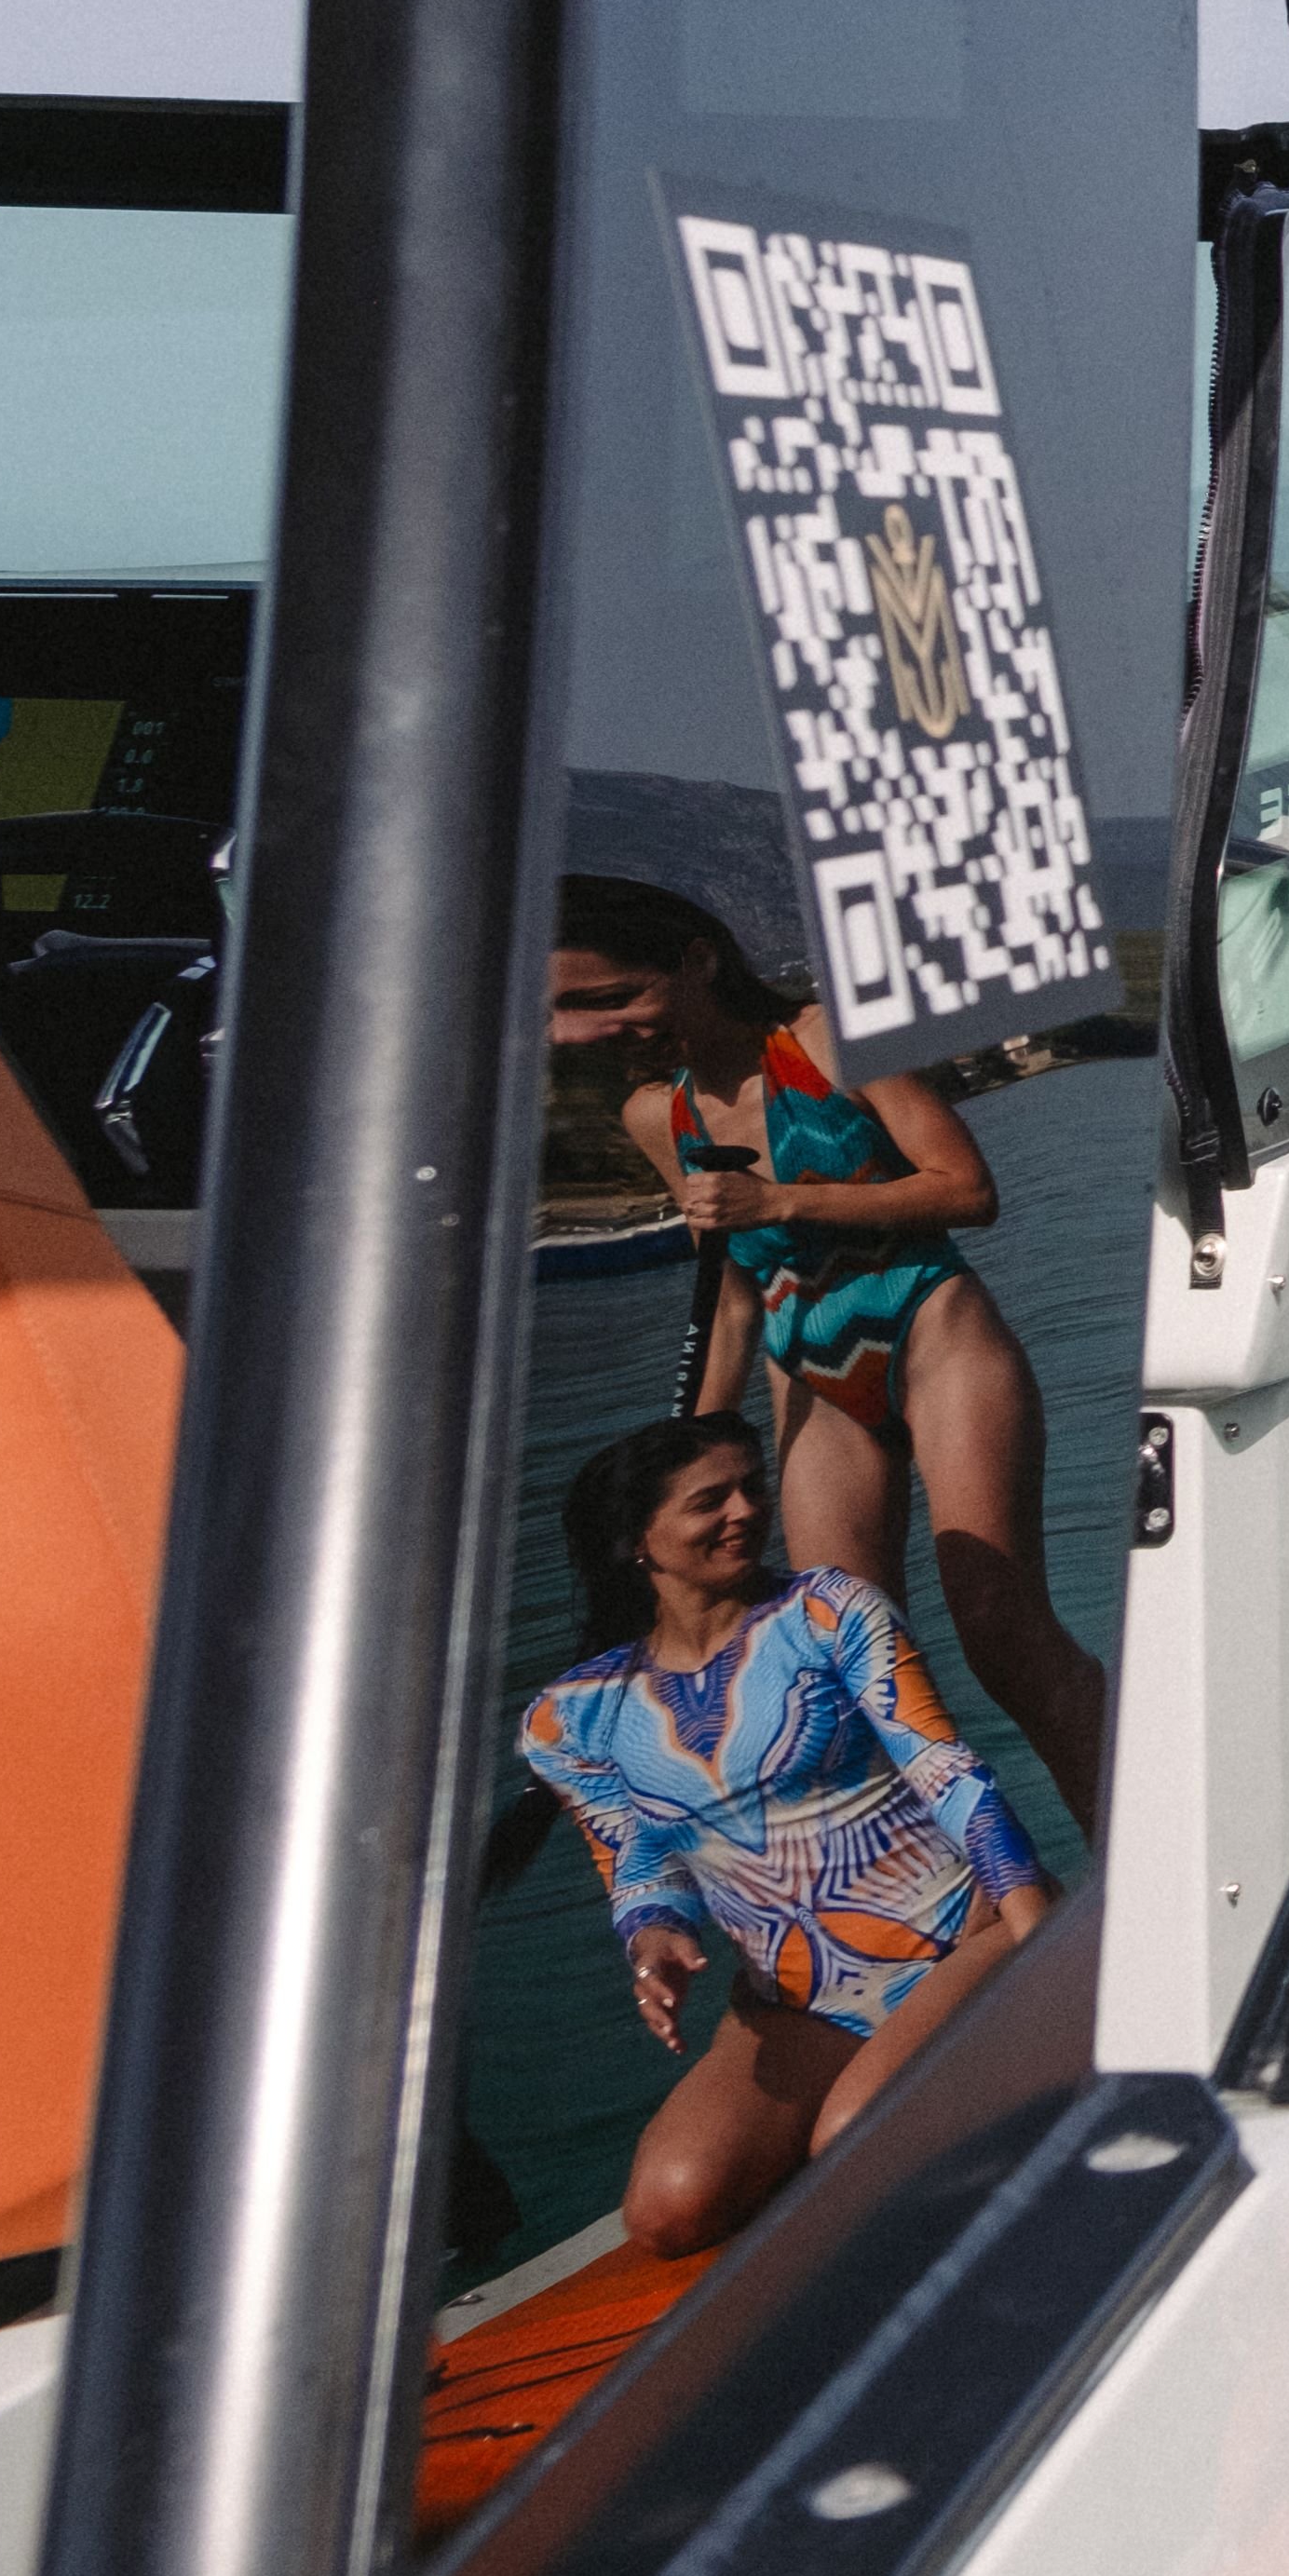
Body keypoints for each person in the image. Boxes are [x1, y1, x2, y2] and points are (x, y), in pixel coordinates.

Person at [546, 875, 1108, 1818]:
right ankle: (976, 1904)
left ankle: (1134, 1857)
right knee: (853, 1670)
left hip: (935, 1335)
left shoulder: (830, 1038)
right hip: (808, 1380)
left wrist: (779, 1200)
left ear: (696, 958)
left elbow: (966, 1188)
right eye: (573, 1011)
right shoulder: (659, 1115)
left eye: (615, 997)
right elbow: (731, 1299)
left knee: (999, 1628)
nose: (597, 1031)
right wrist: (681, 1464)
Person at [514, 1415, 1058, 2260]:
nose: (745, 1510)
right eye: (710, 1500)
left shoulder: (826, 1612)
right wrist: (653, 1936)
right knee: (668, 2211)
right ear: (638, 1541)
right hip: (802, 2006)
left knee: (851, 2142)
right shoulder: (569, 1719)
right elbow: (637, 1858)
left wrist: (1037, 1938)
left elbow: (943, 1768)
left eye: (751, 1487)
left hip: (963, 1943)